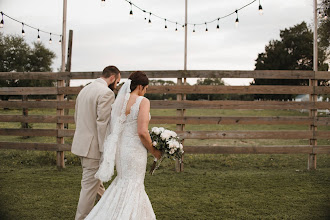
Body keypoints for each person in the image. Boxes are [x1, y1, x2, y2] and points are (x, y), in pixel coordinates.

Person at [85, 71, 162, 219]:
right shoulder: (143, 101)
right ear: (140, 86)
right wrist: (154, 151)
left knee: (123, 183)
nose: (145, 92)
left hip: (121, 150)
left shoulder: (119, 102)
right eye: (145, 88)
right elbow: (142, 132)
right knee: (134, 185)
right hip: (134, 151)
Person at [71, 65, 121, 220]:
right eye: (117, 82)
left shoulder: (85, 90)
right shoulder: (106, 93)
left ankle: (109, 210)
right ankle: (82, 217)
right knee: (89, 187)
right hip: (93, 149)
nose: (117, 85)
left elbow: (76, 117)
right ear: (112, 78)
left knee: (95, 184)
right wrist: (105, 149)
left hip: (81, 145)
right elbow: (102, 124)